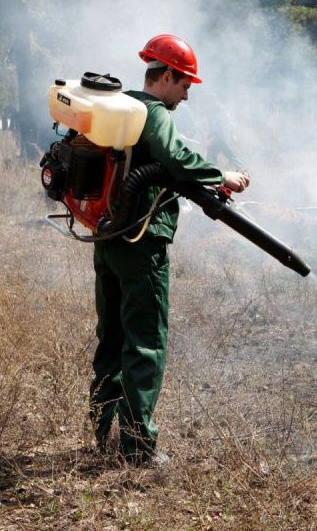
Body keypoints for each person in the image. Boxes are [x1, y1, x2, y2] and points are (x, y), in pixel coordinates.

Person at [89, 34, 250, 465]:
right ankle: (139, 448)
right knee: (144, 342)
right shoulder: (151, 111)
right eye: (184, 85)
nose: (186, 94)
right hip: (141, 243)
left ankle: (102, 433)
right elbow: (173, 157)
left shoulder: (118, 109)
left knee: (112, 339)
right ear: (166, 75)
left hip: (107, 241)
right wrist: (222, 174)